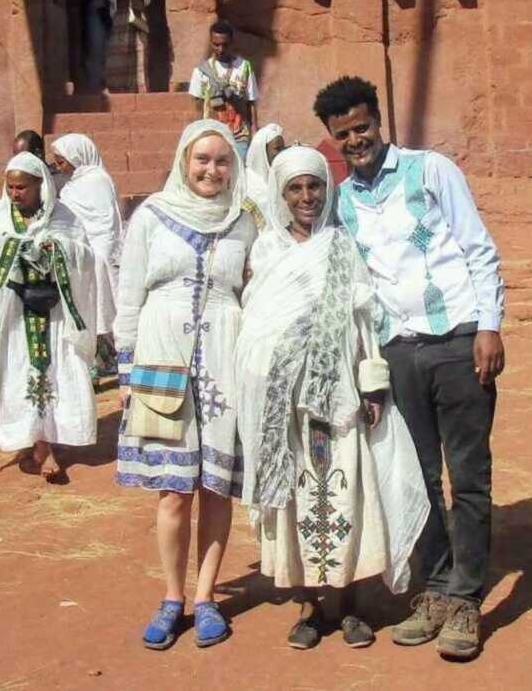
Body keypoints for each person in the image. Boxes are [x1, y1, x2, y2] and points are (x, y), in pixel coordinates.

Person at [313, 76, 505, 662]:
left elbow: (477, 247)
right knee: (417, 476)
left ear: (380, 121)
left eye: (362, 127)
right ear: (333, 139)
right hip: (397, 354)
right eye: (343, 134)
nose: (355, 140)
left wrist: (489, 325)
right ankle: (437, 588)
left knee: (466, 474)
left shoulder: (430, 171)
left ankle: (468, 599)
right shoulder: (341, 203)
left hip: (457, 340)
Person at [236, 147, 429, 650]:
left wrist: (373, 385)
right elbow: (255, 326)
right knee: (297, 500)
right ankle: (308, 607)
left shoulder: (342, 247)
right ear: (281, 195)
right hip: (285, 404)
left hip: (339, 394)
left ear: (327, 189)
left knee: (349, 492)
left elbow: (364, 323)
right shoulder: (267, 251)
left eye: (314, 186)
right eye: (295, 188)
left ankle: (351, 606)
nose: (306, 197)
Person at [114, 121, 256, 650]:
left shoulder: (244, 224)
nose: (211, 170)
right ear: (183, 161)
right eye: (202, 159)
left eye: (222, 161)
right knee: (174, 491)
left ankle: (206, 596)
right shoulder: (152, 216)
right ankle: (172, 597)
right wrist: (126, 373)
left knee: (215, 487)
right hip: (161, 356)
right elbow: (128, 297)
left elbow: (253, 289)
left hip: (224, 356)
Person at [0, 152, 97, 483]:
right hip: (13, 313)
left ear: (41, 185)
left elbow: (84, 255)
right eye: (10, 187)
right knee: (17, 373)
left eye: (22, 187)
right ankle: (27, 440)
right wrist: (10, 248)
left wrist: (56, 249)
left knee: (53, 373)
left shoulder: (64, 216)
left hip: (53, 313)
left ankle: (46, 444)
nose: (15, 193)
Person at [50, 133, 123, 381]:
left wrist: (97, 251)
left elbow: (107, 222)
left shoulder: (99, 179)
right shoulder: (68, 187)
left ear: (77, 156)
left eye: (62, 161)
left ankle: (111, 359)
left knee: (106, 307)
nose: (59, 167)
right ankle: (95, 361)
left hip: (102, 252)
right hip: (81, 253)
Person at [188, 20, 259, 160]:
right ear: (210, 42)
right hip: (212, 135)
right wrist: (196, 135)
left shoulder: (244, 67)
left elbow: (251, 102)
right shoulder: (201, 71)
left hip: (239, 135)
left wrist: (255, 130)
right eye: (216, 44)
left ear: (232, 42)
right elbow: (197, 107)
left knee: (239, 175)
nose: (220, 49)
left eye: (225, 45)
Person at [104, 0, 153, 94]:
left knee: (140, 50)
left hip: (138, 16)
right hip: (123, 15)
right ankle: (119, 88)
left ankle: (139, 87)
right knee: (122, 50)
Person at [242, 122, 285, 228]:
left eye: (283, 148)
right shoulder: (245, 183)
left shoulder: (279, 178)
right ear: (263, 151)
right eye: (277, 148)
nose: (282, 153)